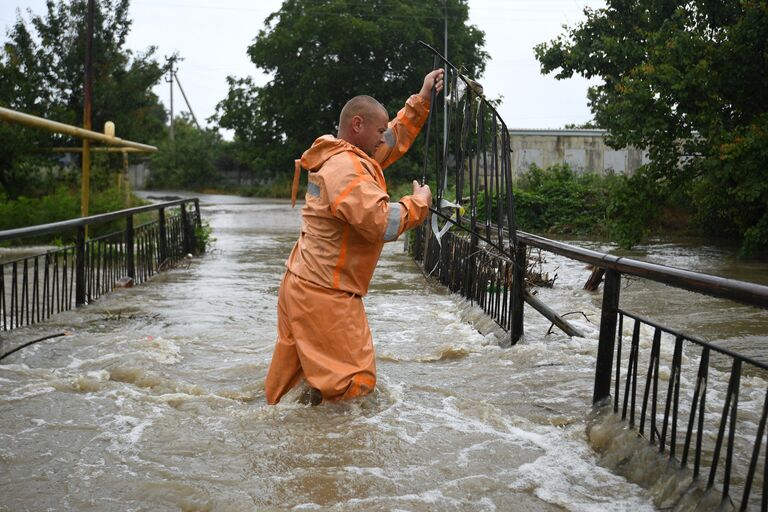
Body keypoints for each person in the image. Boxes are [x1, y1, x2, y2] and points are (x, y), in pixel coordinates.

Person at [265, 68, 445, 405]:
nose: (383, 138)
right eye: (378, 130)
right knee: (354, 387)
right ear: (357, 126)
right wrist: (419, 202)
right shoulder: (346, 168)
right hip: (326, 293)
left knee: (290, 387)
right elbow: (380, 221)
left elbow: (393, 138)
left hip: (303, 283)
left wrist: (422, 100)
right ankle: (341, 454)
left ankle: (285, 442)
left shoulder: (344, 155)